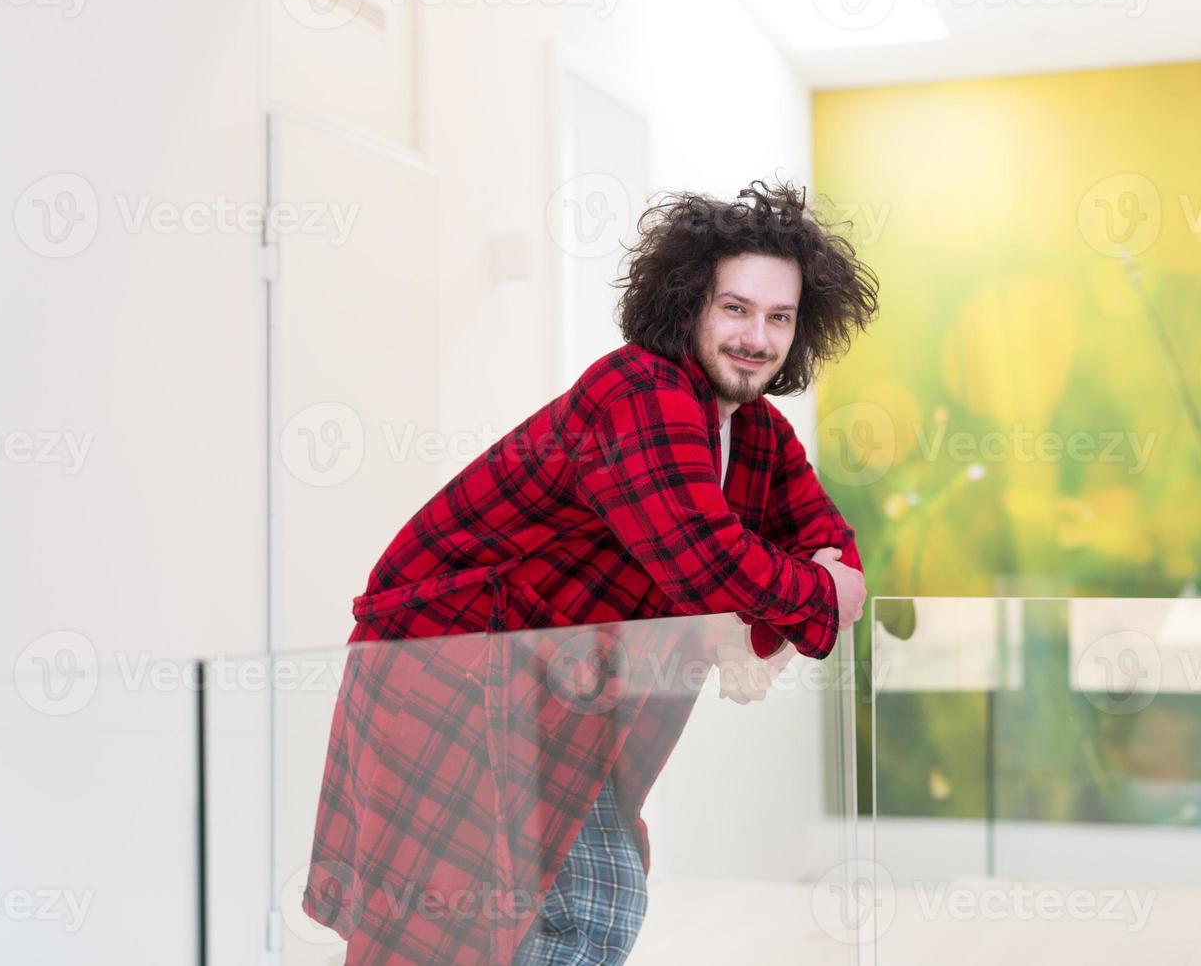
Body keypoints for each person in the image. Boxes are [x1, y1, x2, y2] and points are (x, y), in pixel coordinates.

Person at [301, 177, 879, 965]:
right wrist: (790, 607)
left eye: (779, 317)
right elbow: (703, 560)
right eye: (735, 308)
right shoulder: (638, 388)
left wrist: (771, 625)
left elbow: (826, 545)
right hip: (450, 664)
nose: (757, 336)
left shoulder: (760, 431)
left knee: (570, 906)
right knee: (489, 923)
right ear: (688, 305)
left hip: (549, 687)